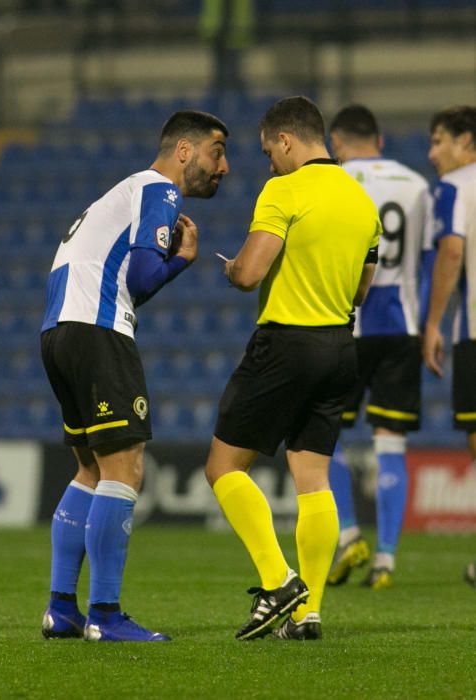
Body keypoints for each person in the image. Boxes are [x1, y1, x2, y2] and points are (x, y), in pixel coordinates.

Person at [40, 110, 230, 642]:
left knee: (90, 470)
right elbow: (144, 277)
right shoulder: (159, 191)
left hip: (57, 331)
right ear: (184, 151)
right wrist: (183, 259)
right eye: (217, 151)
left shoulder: (116, 194)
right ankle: (105, 614)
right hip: (99, 331)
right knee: (125, 469)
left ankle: (61, 608)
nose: (225, 167)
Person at [205, 96, 382, 641]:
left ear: (286, 140)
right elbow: (361, 287)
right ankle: (309, 615)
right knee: (313, 481)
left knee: (222, 468)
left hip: (286, 343)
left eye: (268, 151)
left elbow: (252, 273)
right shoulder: (361, 201)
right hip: (339, 346)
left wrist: (232, 268)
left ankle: (278, 581)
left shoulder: (284, 190)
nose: (268, 163)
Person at [324, 105, 434, 591]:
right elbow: (432, 262)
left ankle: (349, 536)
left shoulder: (336, 180)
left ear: (337, 143)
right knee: (391, 442)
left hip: (349, 321)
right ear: (381, 140)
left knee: (322, 431)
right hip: (403, 325)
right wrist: (429, 323)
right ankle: (386, 558)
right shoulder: (417, 185)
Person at [421, 105, 476, 587]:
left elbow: (452, 250)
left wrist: (434, 322)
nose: (432, 152)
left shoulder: (457, 187)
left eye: (440, 141)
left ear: (466, 142)